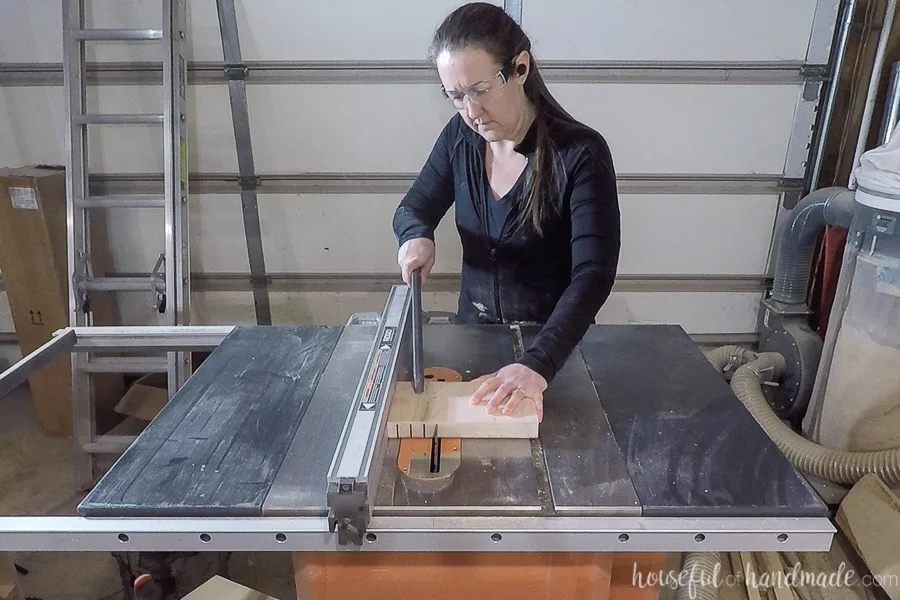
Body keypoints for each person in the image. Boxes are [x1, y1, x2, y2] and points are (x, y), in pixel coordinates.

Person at [392, 2, 620, 423]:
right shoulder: (460, 138)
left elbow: (593, 275)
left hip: (553, 353)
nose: (471, 112)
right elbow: (413, 208)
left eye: (481, 90)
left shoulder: (581, 155)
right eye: (455, 96)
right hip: (472, 344)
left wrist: (538, 365)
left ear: (520, 69)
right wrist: (415, 234)